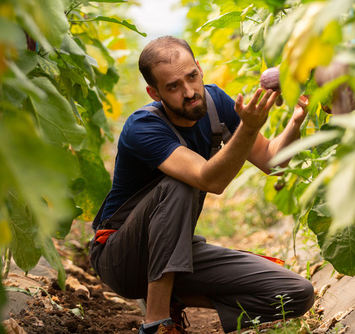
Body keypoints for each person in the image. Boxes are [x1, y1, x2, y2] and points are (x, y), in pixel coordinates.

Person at [90, 36, 315, 334]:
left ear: (199, 68)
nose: (189, 92)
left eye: (191, 77)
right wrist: (248, 127)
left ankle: (173, 295)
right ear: (154, 92)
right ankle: (157, 323)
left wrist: (296, 122)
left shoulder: (214, 103)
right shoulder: (143, 126)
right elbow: (210, 180)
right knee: (178, 185)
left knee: (297, 292)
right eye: (173, 87)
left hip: (173, 250)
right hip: (122, 258)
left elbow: (271, 162)